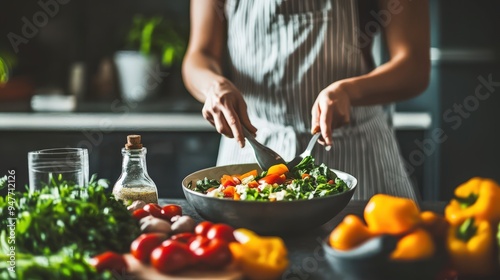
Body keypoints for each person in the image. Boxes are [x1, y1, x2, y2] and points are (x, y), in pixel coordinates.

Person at [182, 0, 430, 201]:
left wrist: (350, 91)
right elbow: (199, 55)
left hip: (358, 156)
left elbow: (413, 66)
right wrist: (213, 85)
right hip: (249, 152)